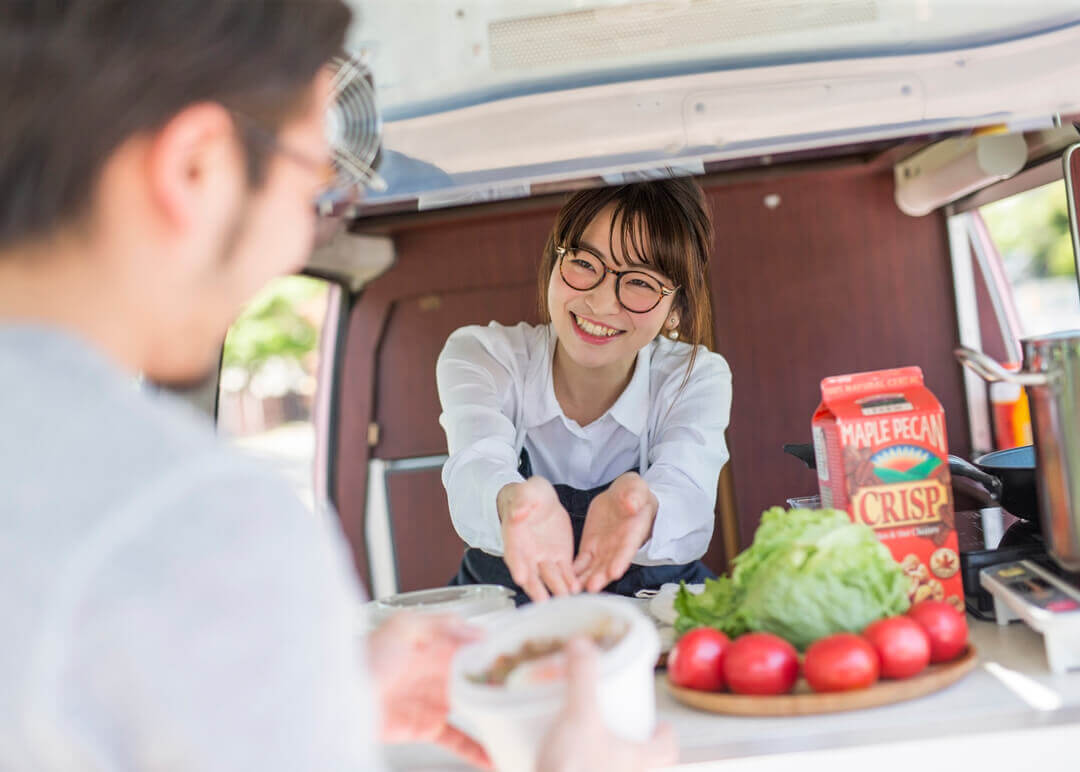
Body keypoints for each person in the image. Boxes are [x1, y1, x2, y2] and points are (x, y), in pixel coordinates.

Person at [0, 1, 673, 769]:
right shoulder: (199, 525)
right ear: (195, 168)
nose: (302, 235)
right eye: (314, 186)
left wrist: (333, 702)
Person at [439, 178, 733, 604]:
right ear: (554, 260)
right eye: (584, 263)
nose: (601, 302)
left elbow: (686, 492)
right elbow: (475, 468)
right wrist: (515, 503)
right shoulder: (481, 355)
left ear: (676, 310)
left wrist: (643, 508)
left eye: (641, 283)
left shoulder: (695, 375)